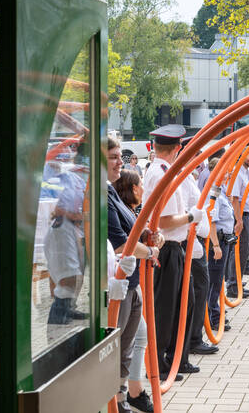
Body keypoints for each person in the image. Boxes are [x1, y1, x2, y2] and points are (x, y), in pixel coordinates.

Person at [142, 124, 204, 379]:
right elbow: (165, 221)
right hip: (167, 248)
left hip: (173, 248)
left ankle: (176, 356)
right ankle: (159, 364)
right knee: (166, 309)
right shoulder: (160, 174)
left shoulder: (164, 170)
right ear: (177, 148)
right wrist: (191, 216)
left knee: (182, 305)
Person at [107, 141, 163, 413]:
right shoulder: (103, 195)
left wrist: (149, 237)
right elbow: (120, 243)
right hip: (118, 284)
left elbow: (131, 229)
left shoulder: (110, 192)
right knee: (119, 346)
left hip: (129, 283)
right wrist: (151, 250)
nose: (121, 162)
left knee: (128, 345)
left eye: (121, 157)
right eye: (114, 157)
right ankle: (119, 399)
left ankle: (122, 398)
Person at [178, 136, 218, 357]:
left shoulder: (189, 177)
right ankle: (193, 339)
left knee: (200, 289)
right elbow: (185, 211)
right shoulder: (183, 178)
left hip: (196, 242)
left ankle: (194, 337)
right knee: (196, 290)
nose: (201, 159)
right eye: (197, 154)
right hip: (190, 243)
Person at [44, 143, 88, 326]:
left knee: (75, 275)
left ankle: (67, 309)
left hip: (73, 228)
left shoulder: (75, 178)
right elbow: (56, 207)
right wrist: (79, 216)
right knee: (67, 278)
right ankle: (57, 320)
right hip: (61, 229)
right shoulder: (55, 176)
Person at [207, 160, 236, 331]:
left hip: (224, 240)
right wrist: (216, 246)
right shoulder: (214, 193)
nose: (229, 175)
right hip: (218, 242)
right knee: (215, 281)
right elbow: (212, 221)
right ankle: (213, 317)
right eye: (226, 172)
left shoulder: (220, 191)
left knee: (218, 280)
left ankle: (216, 314)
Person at [227, 148, 249, 298]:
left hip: (246, 214)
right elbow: (234, 199)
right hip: (240, 215)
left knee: (243, 251)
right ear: (243, 155)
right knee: (239, 251)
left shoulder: (246, 172)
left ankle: (237, 281)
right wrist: (239, 220)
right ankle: (233, 286)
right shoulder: (238, 173)